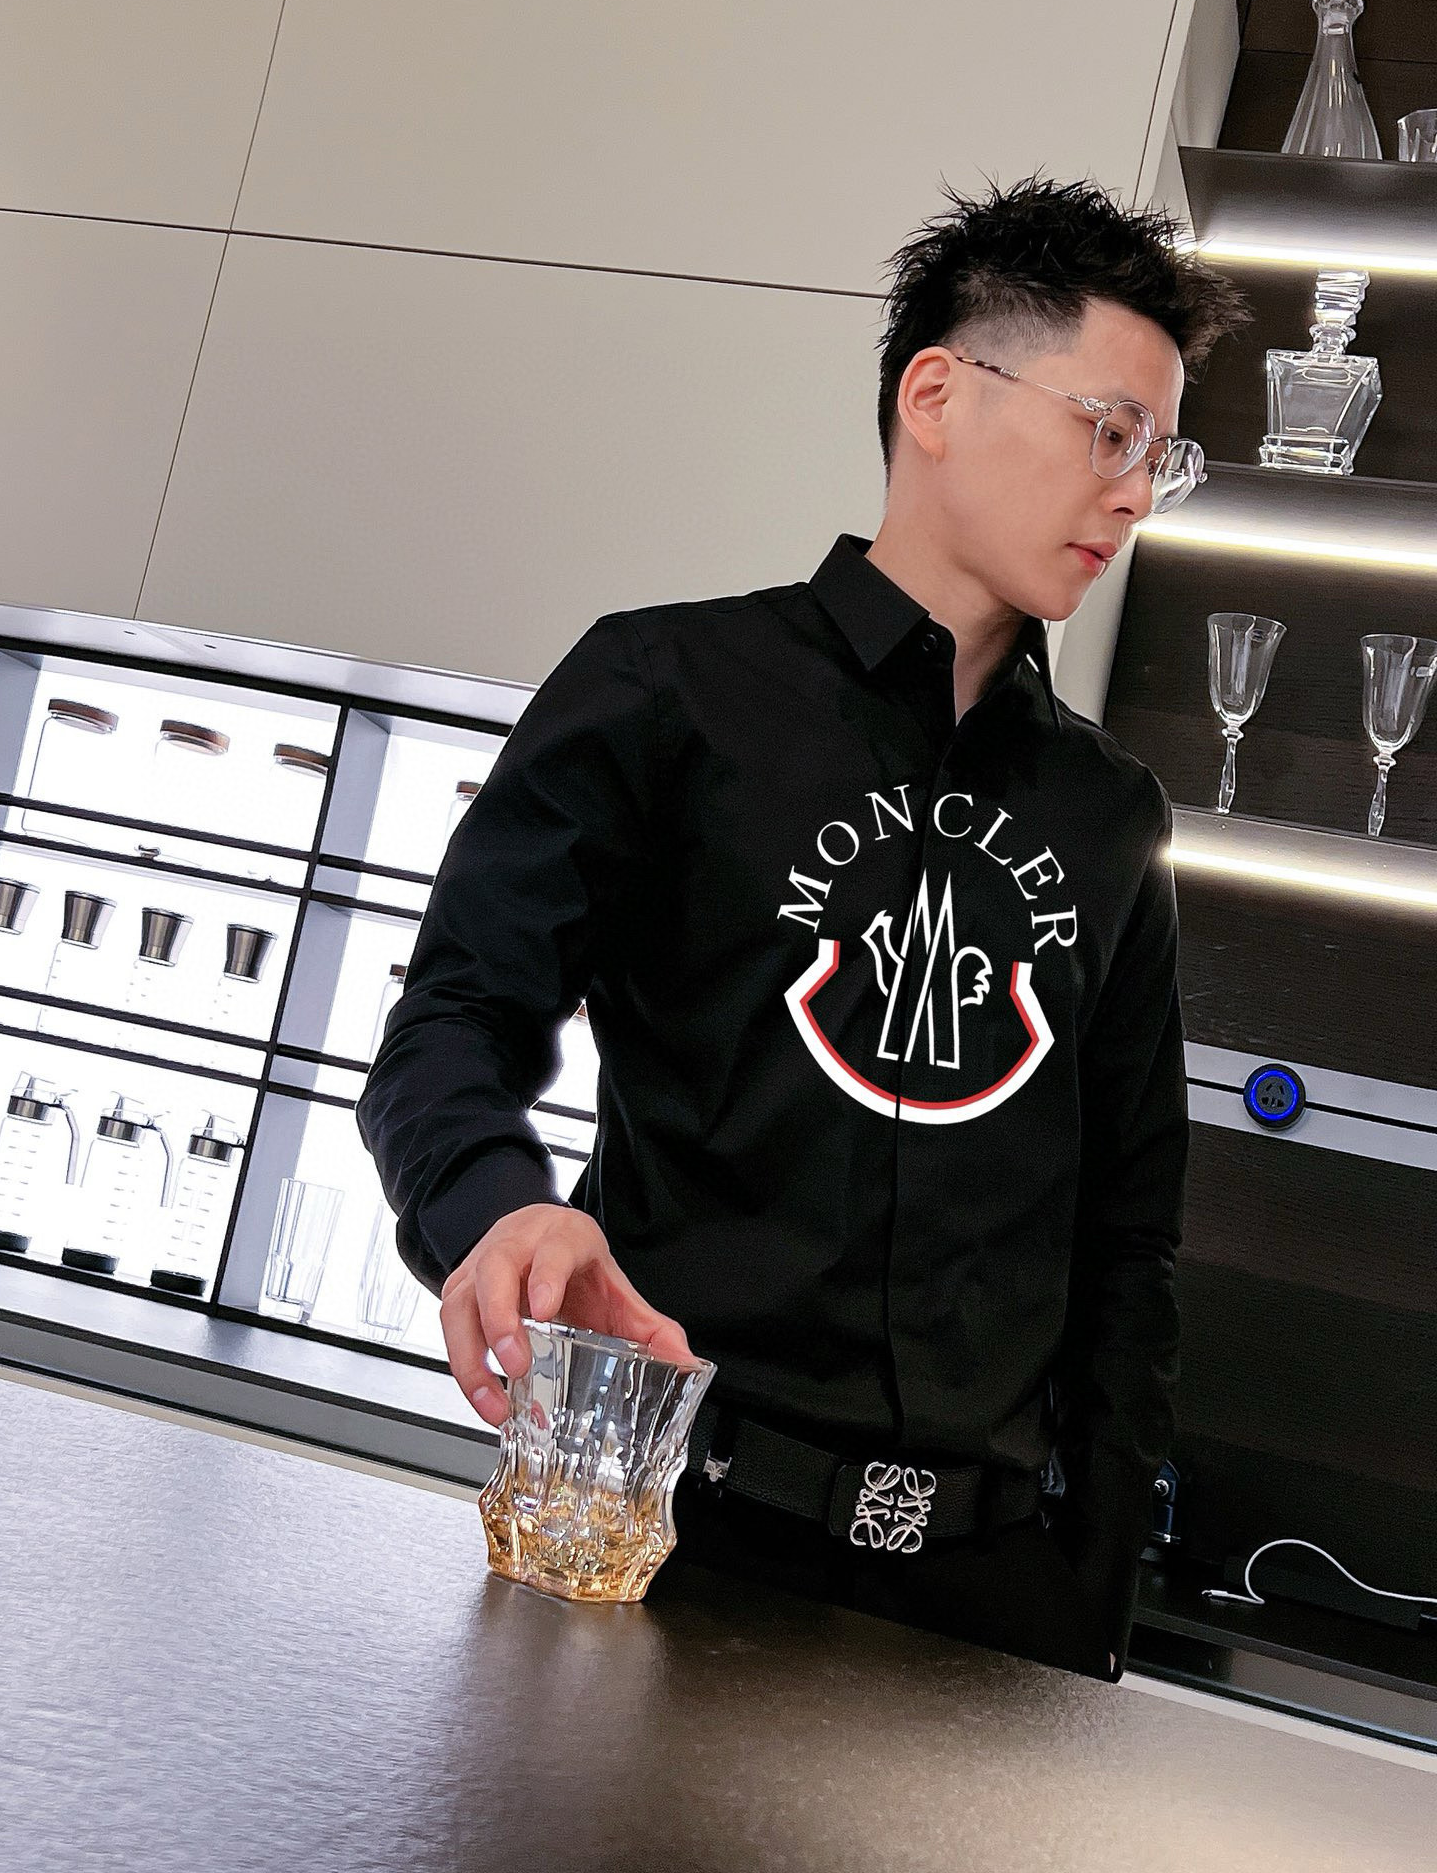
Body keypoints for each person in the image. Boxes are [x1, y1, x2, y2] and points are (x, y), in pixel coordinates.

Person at [355, 173, 1253, 1684]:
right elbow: (449, 1028)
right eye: (1110, 433)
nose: (1135, 496)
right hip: (659, 1545)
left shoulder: (1112, 816)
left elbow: (1129, 1233)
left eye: (1162, 456)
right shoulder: (664, 691)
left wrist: (1089, 1599)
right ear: (937, 396)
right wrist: (498, 1212)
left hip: (993, 1608)